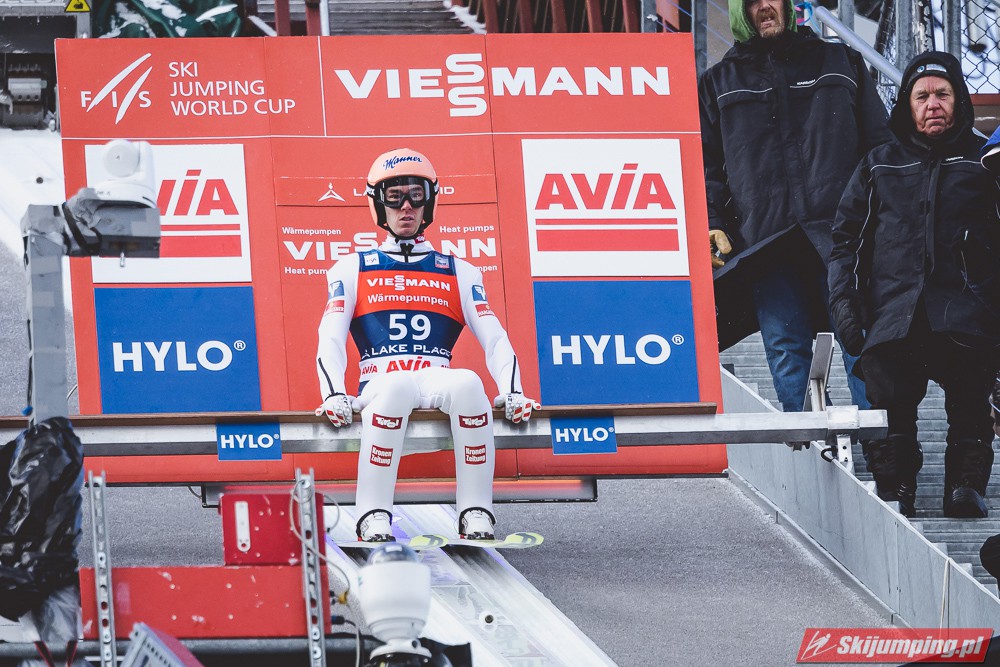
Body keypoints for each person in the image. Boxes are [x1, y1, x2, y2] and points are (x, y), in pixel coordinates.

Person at [315, 148, 540, 542]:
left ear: (430, 202)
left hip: (435, 377)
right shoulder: (352, 267)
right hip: (381, 382)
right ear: (377, 204)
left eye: (416, 195)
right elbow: (329, 335)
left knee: (468, 383)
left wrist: (513, 391)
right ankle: (372, 514)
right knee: (398, 387)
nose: (406, 207)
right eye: (394, 196)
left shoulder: (459, 271)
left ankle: (475, 512)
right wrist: (333, 393)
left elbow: (495, 338)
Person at [828, 51, 1000, 518]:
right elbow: (845, 242)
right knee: (890, 404)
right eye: (921, 96)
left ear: (959, 100)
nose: (933, 104)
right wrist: (845, 307)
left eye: (943, 94)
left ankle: (965, 486)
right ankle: (896, 485)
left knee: (970, 401)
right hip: (894, 313)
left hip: (967, 311)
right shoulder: (878, 163)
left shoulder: (985, 160)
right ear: (907, 104)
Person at [698, 0, 892, 412]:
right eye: (752, 2)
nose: (765, 6)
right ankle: (807, 444)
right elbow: (705, 165)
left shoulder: (840, 61)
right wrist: (713, 222)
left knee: (860, 338)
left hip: (841, 234)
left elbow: (880, 146)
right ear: (739, 12)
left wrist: (885, 214)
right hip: (765, 241)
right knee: (786, 347)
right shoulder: (717, 82)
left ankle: (880, 444)